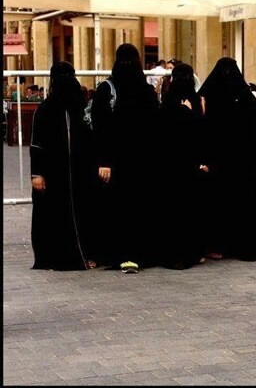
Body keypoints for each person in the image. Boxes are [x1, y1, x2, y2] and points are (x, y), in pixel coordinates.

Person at [90, 43, 160, 272]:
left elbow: (100, 128)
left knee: (117, 210)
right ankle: (141, 254)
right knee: (140, 208)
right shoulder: (146, 91)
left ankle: (119, 254)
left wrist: (104, 160)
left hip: (117, 162)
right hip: (142, 162)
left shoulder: (107, 89)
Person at [198, 57, 256, 261]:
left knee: (220, 204)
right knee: (244, 205)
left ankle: (219, 246)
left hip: (220, 161)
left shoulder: (210, 96)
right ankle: (247, 246)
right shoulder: (245, 97)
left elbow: (203, 128)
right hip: (244, 162)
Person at [30, 61, 94, 270]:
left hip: (79, 172)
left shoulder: (81, 108)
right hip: (53, 173)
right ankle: (54, 255)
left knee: (82, 213)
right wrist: (36, 174)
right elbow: (37, 144)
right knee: (53, 214)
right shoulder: (45, 110)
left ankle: (83, 254)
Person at [156, 62, 208, 269]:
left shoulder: (166, 102)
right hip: (189, 166)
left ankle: (171, 253)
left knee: (172, 210)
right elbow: (199, 133)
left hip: (170, 166)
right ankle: (190, 252)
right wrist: (186, 112)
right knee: (189, 211)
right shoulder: (194, 102)